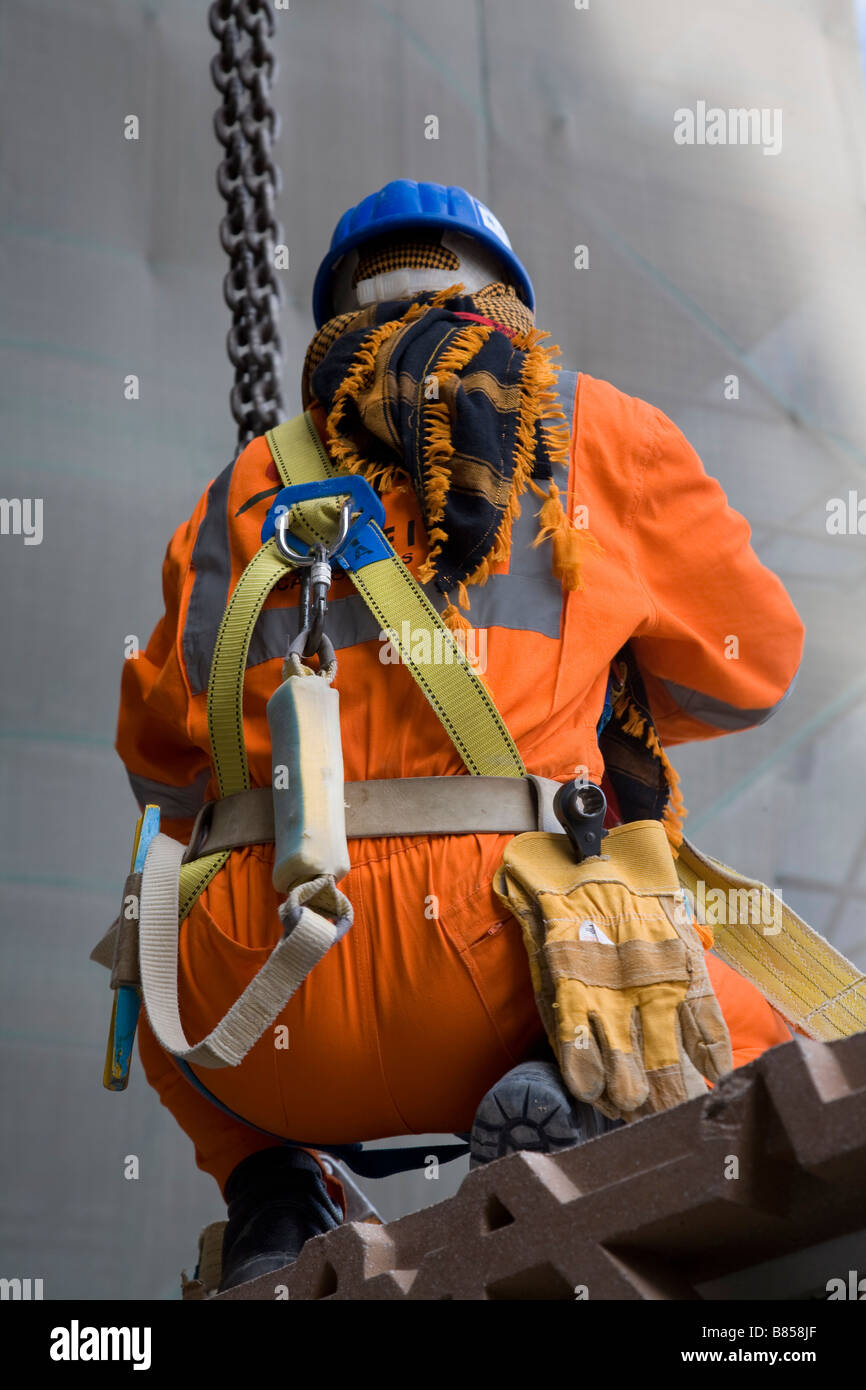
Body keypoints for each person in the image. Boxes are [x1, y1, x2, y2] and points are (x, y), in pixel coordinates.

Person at [115, 180, 802, 1290]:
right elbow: (753, 668)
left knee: (154, 928)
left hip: (256, 1006)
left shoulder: (240, 486)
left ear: (344, 306)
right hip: (507, 959)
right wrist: (592, 683)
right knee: (751, 1029)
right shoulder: (592, 429)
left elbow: (157, 760)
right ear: (502, 299)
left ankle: (271, 1193)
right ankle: (575, 1092)